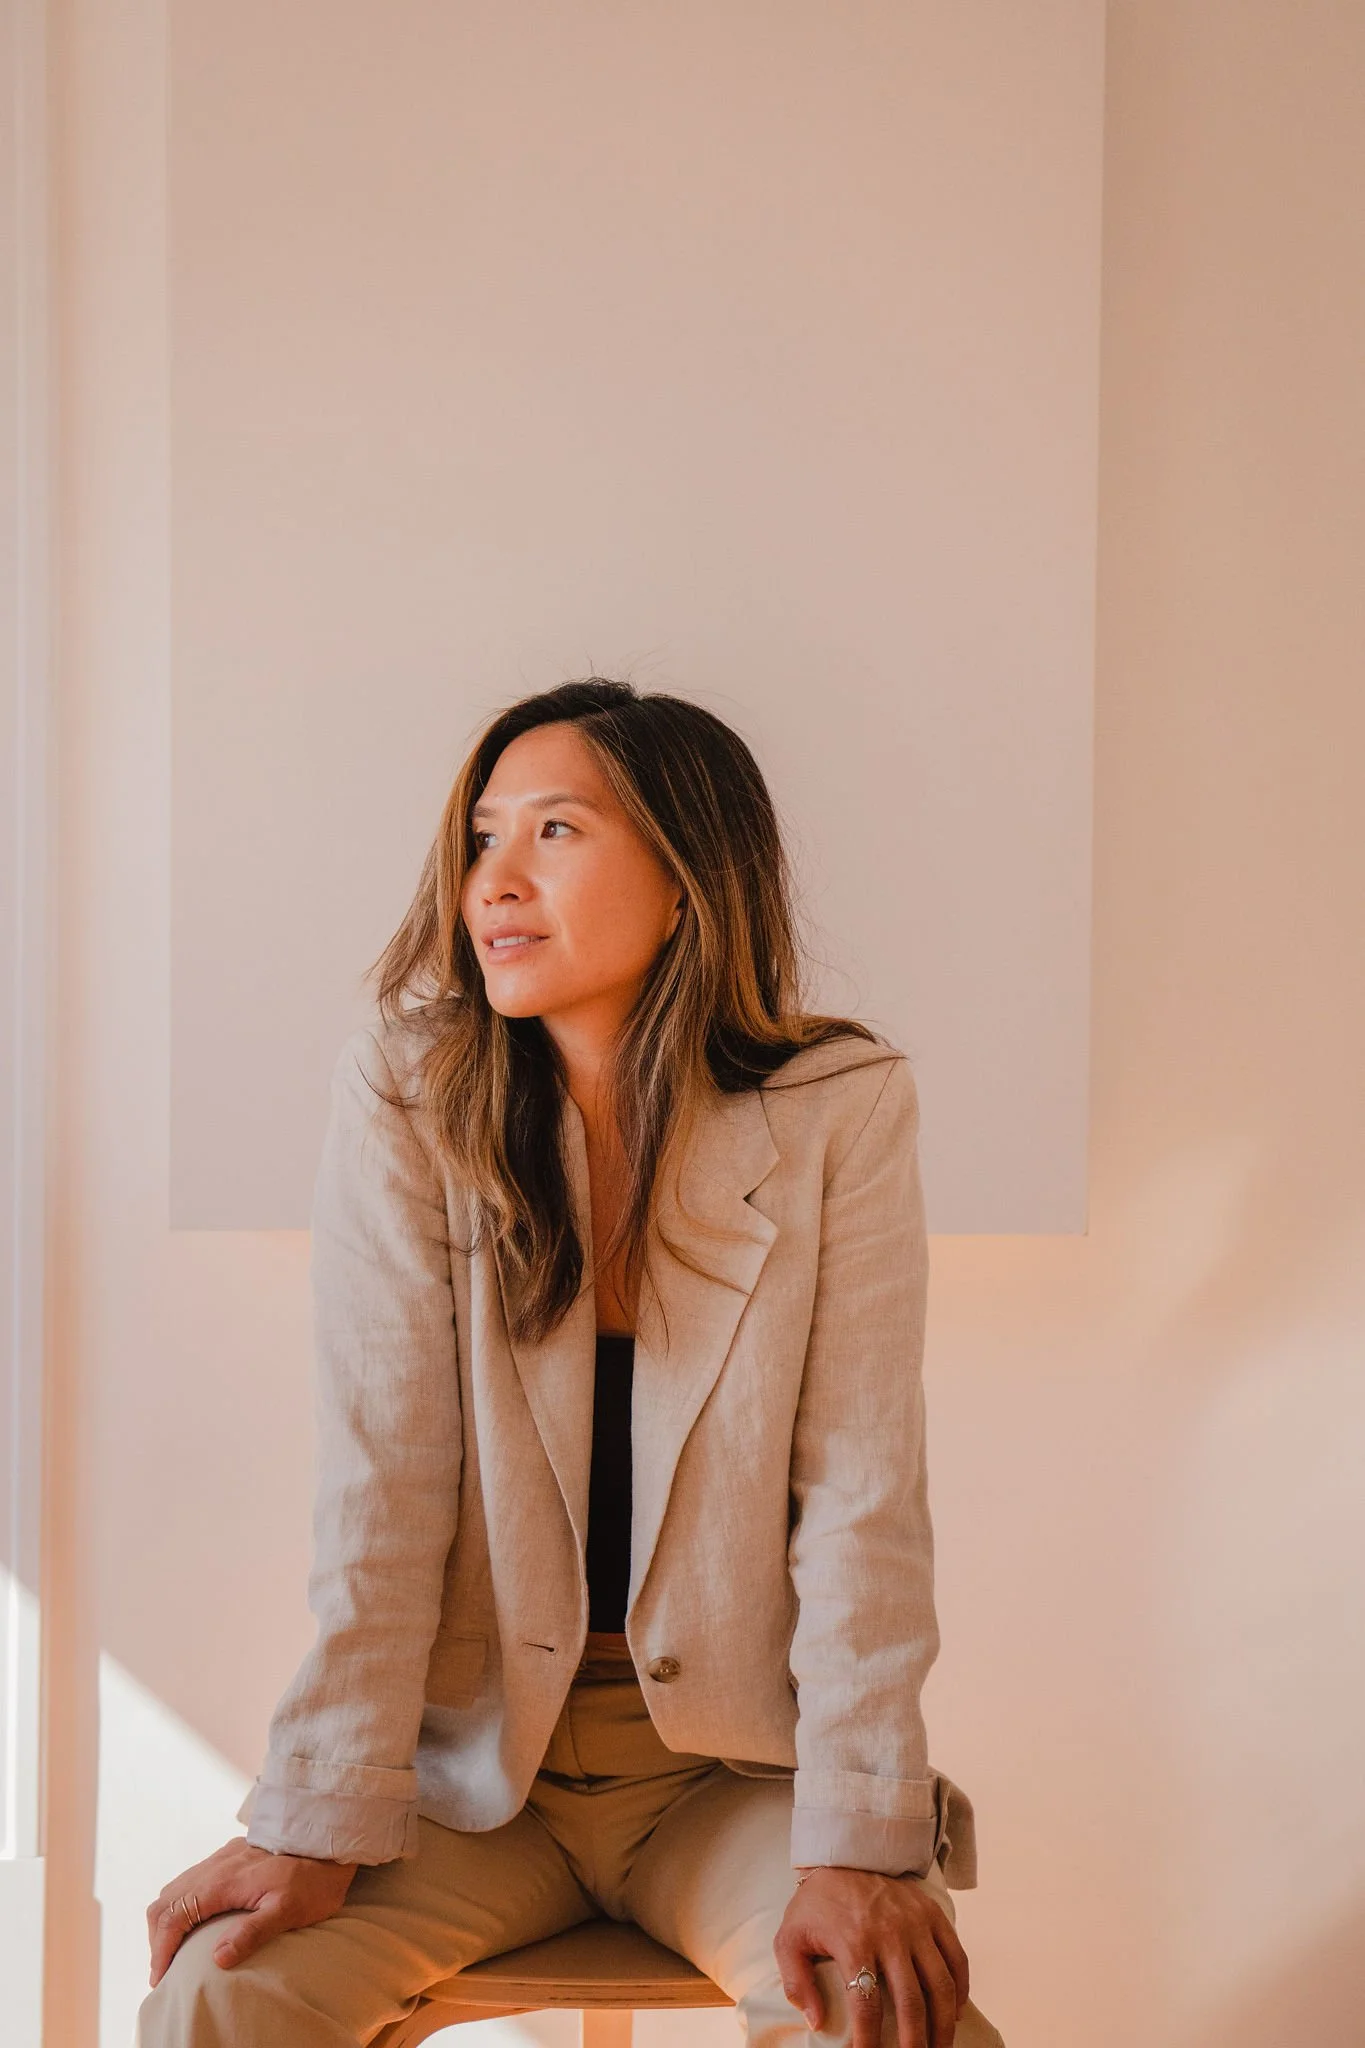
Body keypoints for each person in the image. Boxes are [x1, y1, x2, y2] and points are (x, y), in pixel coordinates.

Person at [137, 677, 1006, 2047]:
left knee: (894, 2020)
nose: (495, 880)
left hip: (729, 1780)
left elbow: (863, 1508)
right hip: (474, 1784)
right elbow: (382, 1491)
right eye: (483, 838)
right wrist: (312, 1819)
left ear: (686, 876)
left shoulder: (840, 1110)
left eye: (555, 831)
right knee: (221, 1999)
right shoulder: (410, 1093)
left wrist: (858, 1845)